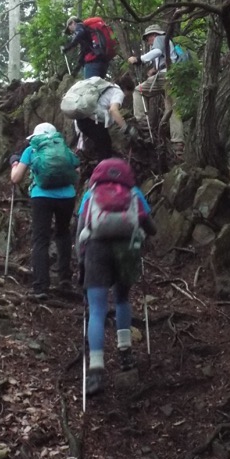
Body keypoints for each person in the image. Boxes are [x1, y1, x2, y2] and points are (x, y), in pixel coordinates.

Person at [76, 158, 156, 396]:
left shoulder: (90, 194)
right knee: (122, 300)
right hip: (126, 250)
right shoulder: (134, 193)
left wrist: (80, 260)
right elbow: (151, 226)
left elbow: (80, 226)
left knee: (97, 308)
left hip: (95, 250)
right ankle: (125, 354)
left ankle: (96, 370)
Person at [10, 123, 80, 300]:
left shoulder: (32, 149)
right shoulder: (64, 149)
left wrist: (14, 164)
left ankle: (41, 286)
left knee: (41, 238)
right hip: (67, 196)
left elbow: (16, 178)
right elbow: (76, 171)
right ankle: (65, 279)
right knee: (63, 234)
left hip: (41, 197)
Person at [127, 24, 185, 157]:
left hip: (166, 76)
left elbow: (157, 52)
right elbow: (166, 58)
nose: (148, 42)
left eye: (148, 39)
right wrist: (154, 70)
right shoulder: (168, 41)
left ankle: (141, 123)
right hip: (174, 76)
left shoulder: (160, 38)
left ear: (152, 35)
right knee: (173, 109)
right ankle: (178, 144)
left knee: (138, 90)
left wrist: (139, 59)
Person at [74, 73, 138, 161]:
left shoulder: (109, 86)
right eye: (129, 93)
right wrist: (126, 128)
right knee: (105, 149)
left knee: (103, 146)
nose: (127, 96)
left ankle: (100, 169)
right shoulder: (119, 92)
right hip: (92, 121)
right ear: (127, 89)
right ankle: (104, 172)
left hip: (82, 118)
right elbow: (113, 110)